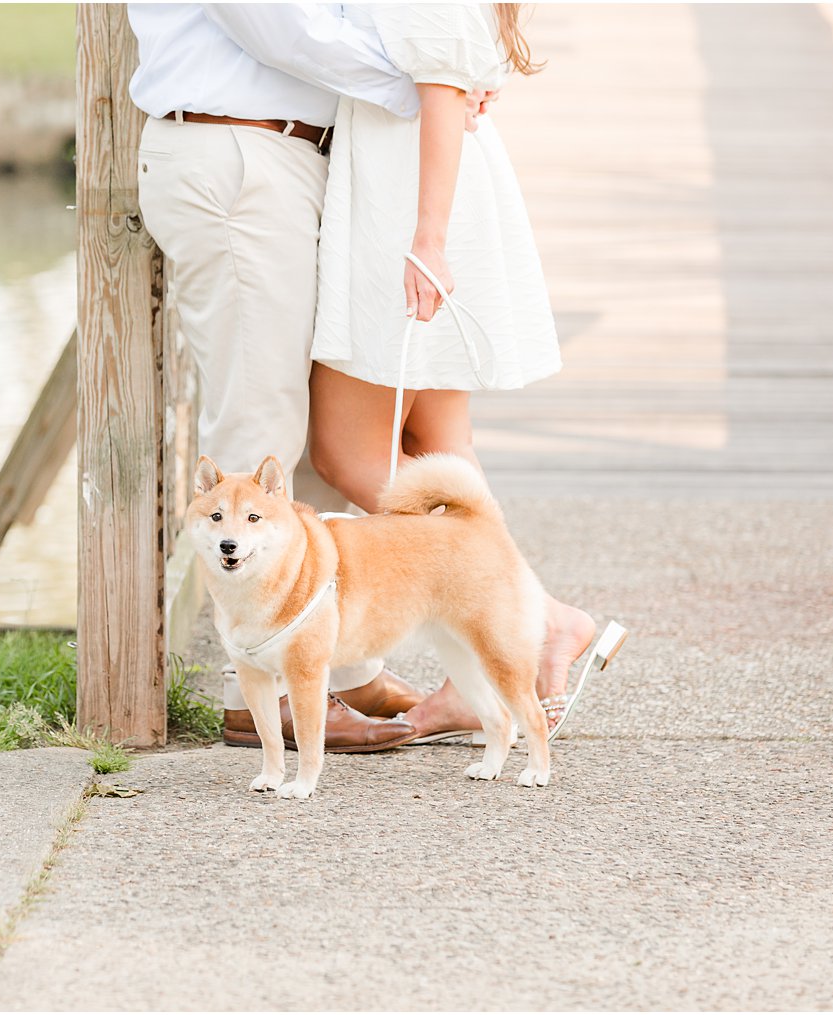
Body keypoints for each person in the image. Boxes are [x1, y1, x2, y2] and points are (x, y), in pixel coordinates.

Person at [127, 4, 434, 752]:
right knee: (257, 431)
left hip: (289, 158)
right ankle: (261, 691)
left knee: (324, 416)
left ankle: (336, 664)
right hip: (234, 155)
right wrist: (425, 79)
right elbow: (282, 28)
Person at [306, 4, 605, 740]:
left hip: (409, 209)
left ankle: (537, 623)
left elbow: (443, 88)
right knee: (442, 451)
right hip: (414, 193)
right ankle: (532, 633)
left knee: (349, 452)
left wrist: (428, 240)